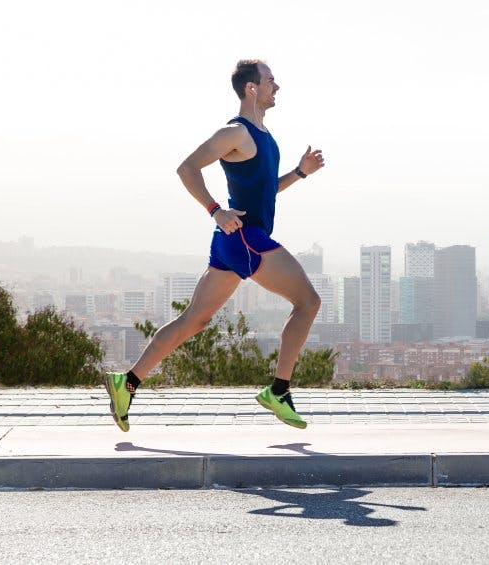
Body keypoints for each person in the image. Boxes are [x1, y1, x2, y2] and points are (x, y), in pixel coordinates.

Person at [103, 59, 324, 432]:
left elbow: (267, 190)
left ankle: (128, 382)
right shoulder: (234, 133)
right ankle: (279, 390)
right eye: (270, 81)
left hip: (232, 242)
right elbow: (186, 168)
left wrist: (300, 173)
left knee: (194, 320)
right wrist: (215, 210)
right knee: (309, 302)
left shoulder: (264, 137)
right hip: (244, 237)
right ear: (251, 89)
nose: (277, 86)